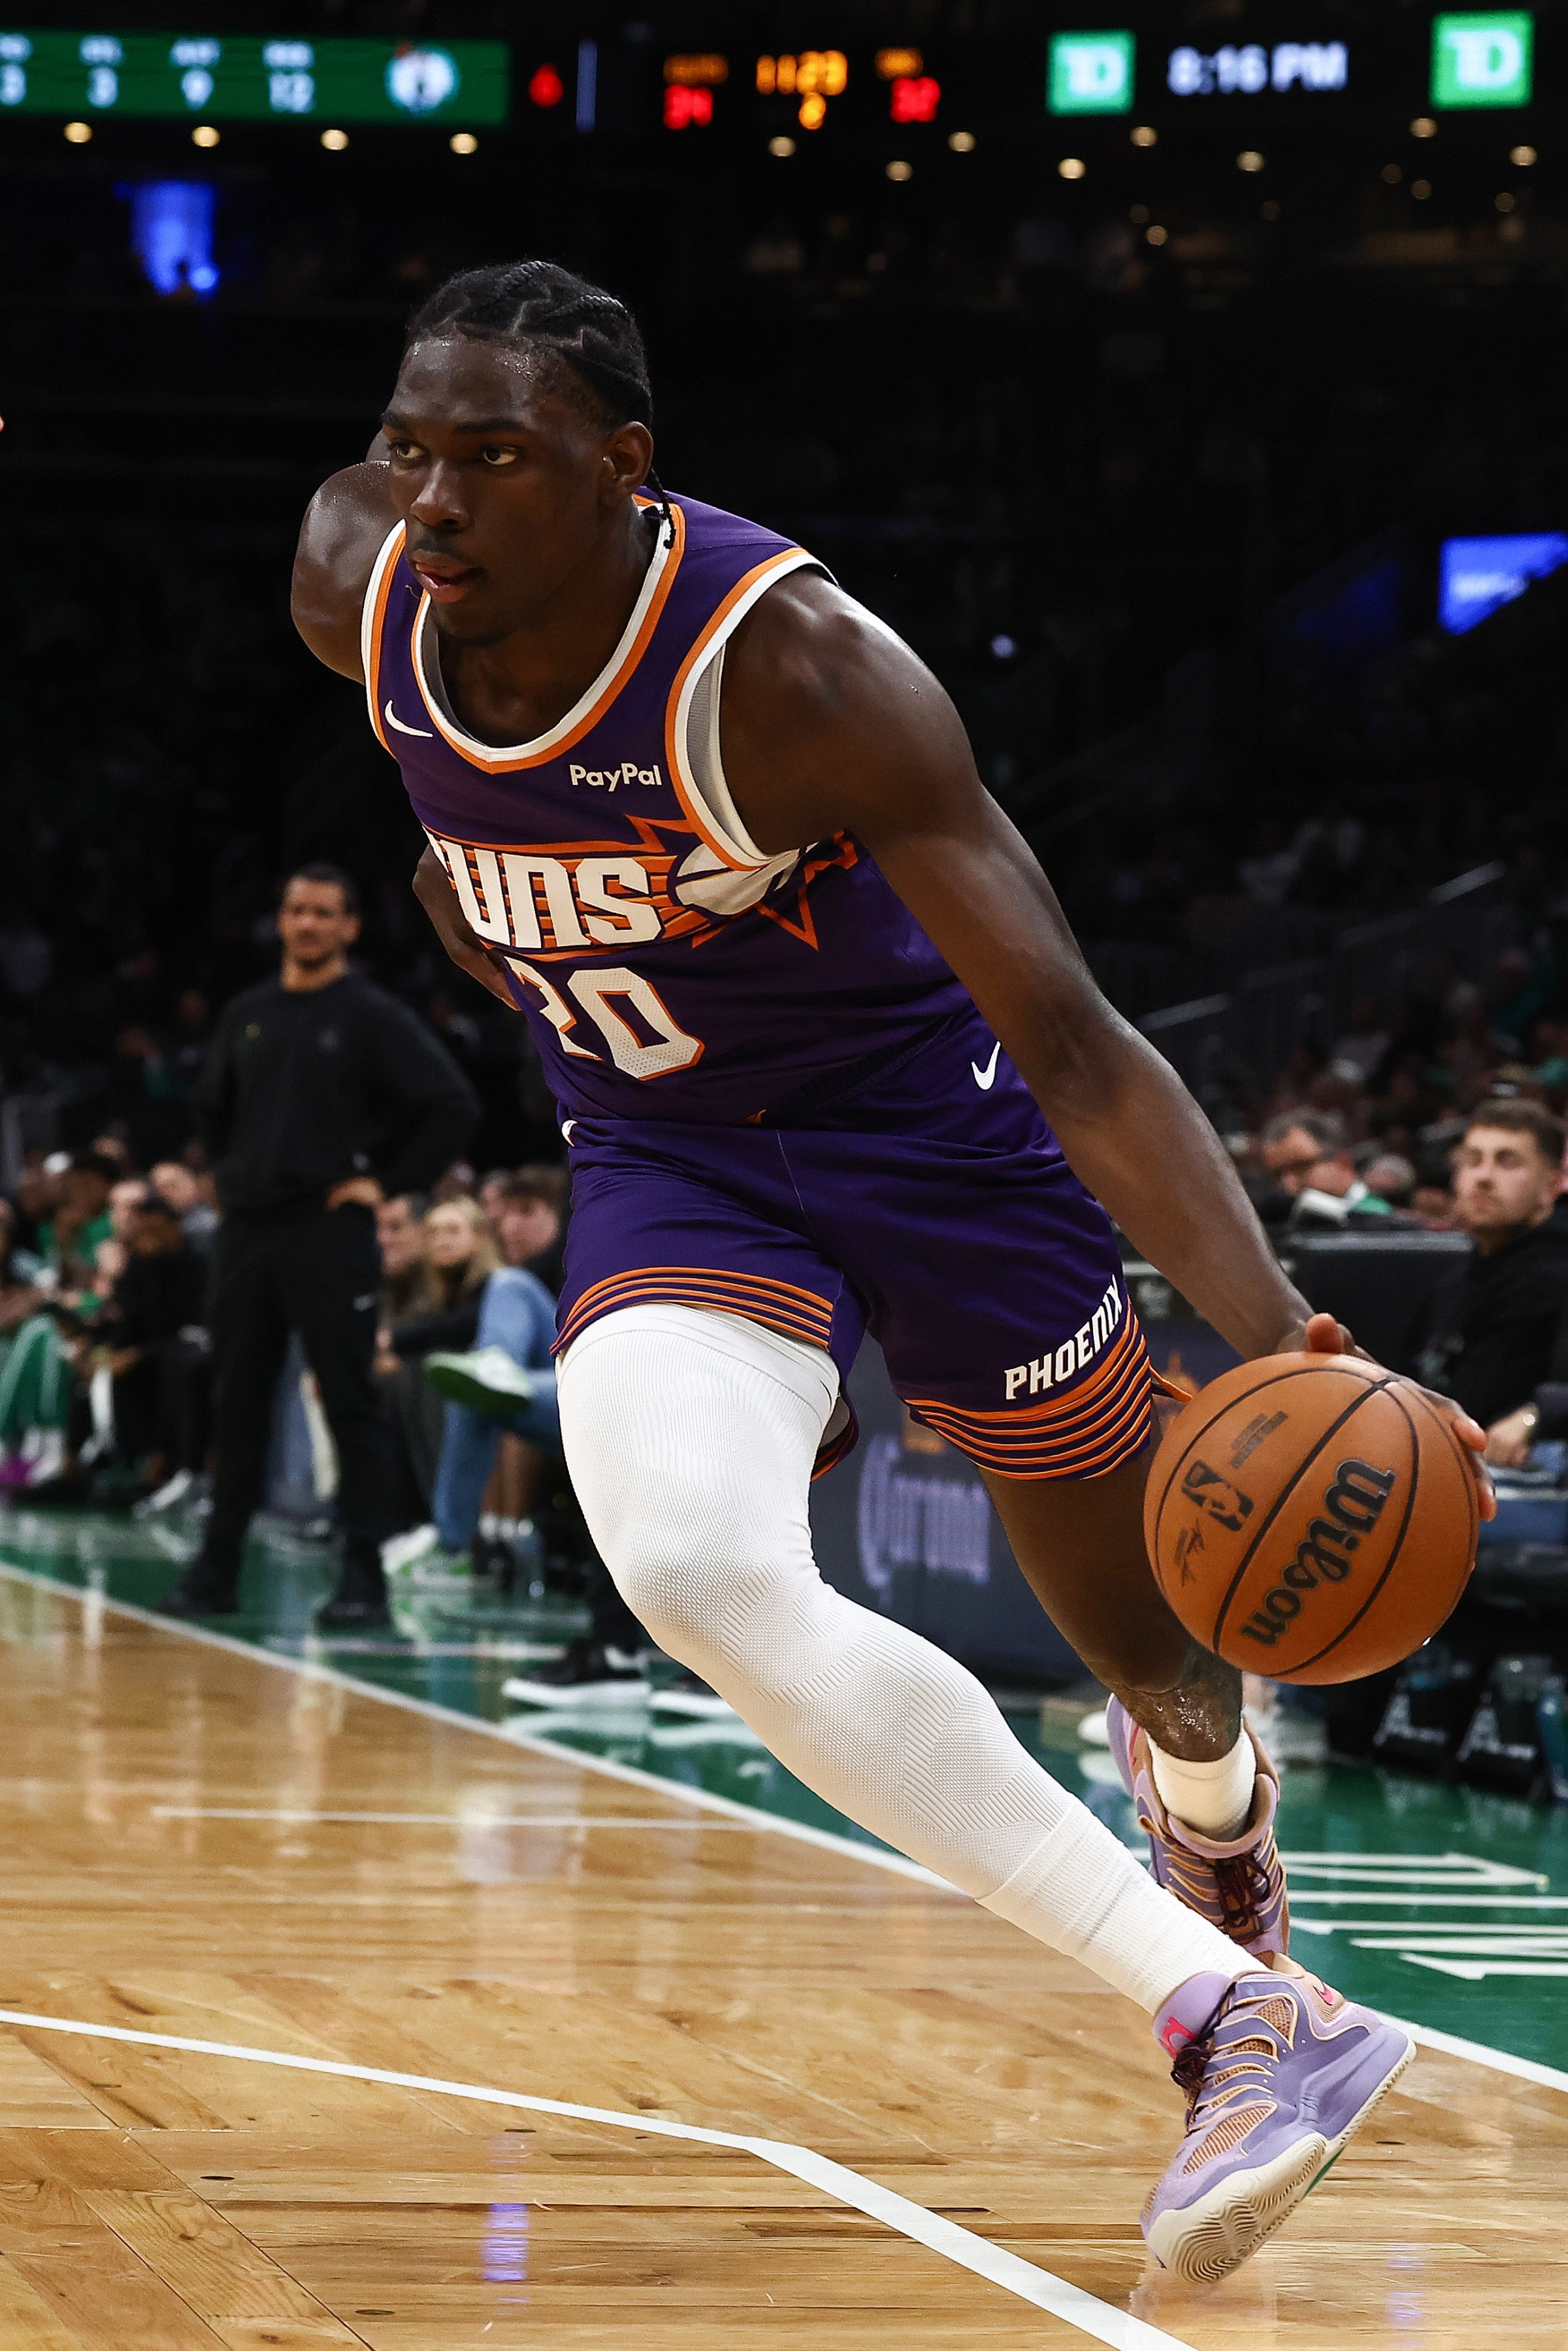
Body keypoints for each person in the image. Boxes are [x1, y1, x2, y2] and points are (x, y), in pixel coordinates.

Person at [291, 259, 1490, 2279]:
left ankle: (1210, 1814)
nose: (433, 497)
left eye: (493, 456)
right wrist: (523, 955)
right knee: (686, 1560)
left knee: (1149, 1641)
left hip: (931, 1139)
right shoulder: (359, 583)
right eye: (412, 445)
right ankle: (1235, 2018)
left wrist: (1275, 1330)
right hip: (675, 1156)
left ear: (622, 468)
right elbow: (450, 849)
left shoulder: (800, 669)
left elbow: (1078, 1038)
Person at [161, 865, 480, 1629]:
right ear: (282, 917)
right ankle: (214, 1574)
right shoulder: (248, 1013)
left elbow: (453, 1107)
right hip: (246, 1234)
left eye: (323, 913)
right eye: (296, 909)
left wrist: (389, 1183)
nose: (307, 924)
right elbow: (210, 1110)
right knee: (235, 1404)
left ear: (349, 928)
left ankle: (363, 1579)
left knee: (349, 1403)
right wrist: (228, 1178)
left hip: (327, 1233)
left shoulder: (368, 1014)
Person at [1416, 1100, 1568, 1466]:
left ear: (1550, 1185)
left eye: (1507, 1161)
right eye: (1473, 1160)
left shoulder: (1561, 1272)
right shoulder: (1457, 1277)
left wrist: (1536, 1417)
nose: (1483, 1176)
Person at [1257, 1111, 1394, 1228]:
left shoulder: (1384, 1223)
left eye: (1300, 1167)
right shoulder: (1279, 1226)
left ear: (1343, 1163)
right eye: (1276, 1175)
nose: (1288, 1185)